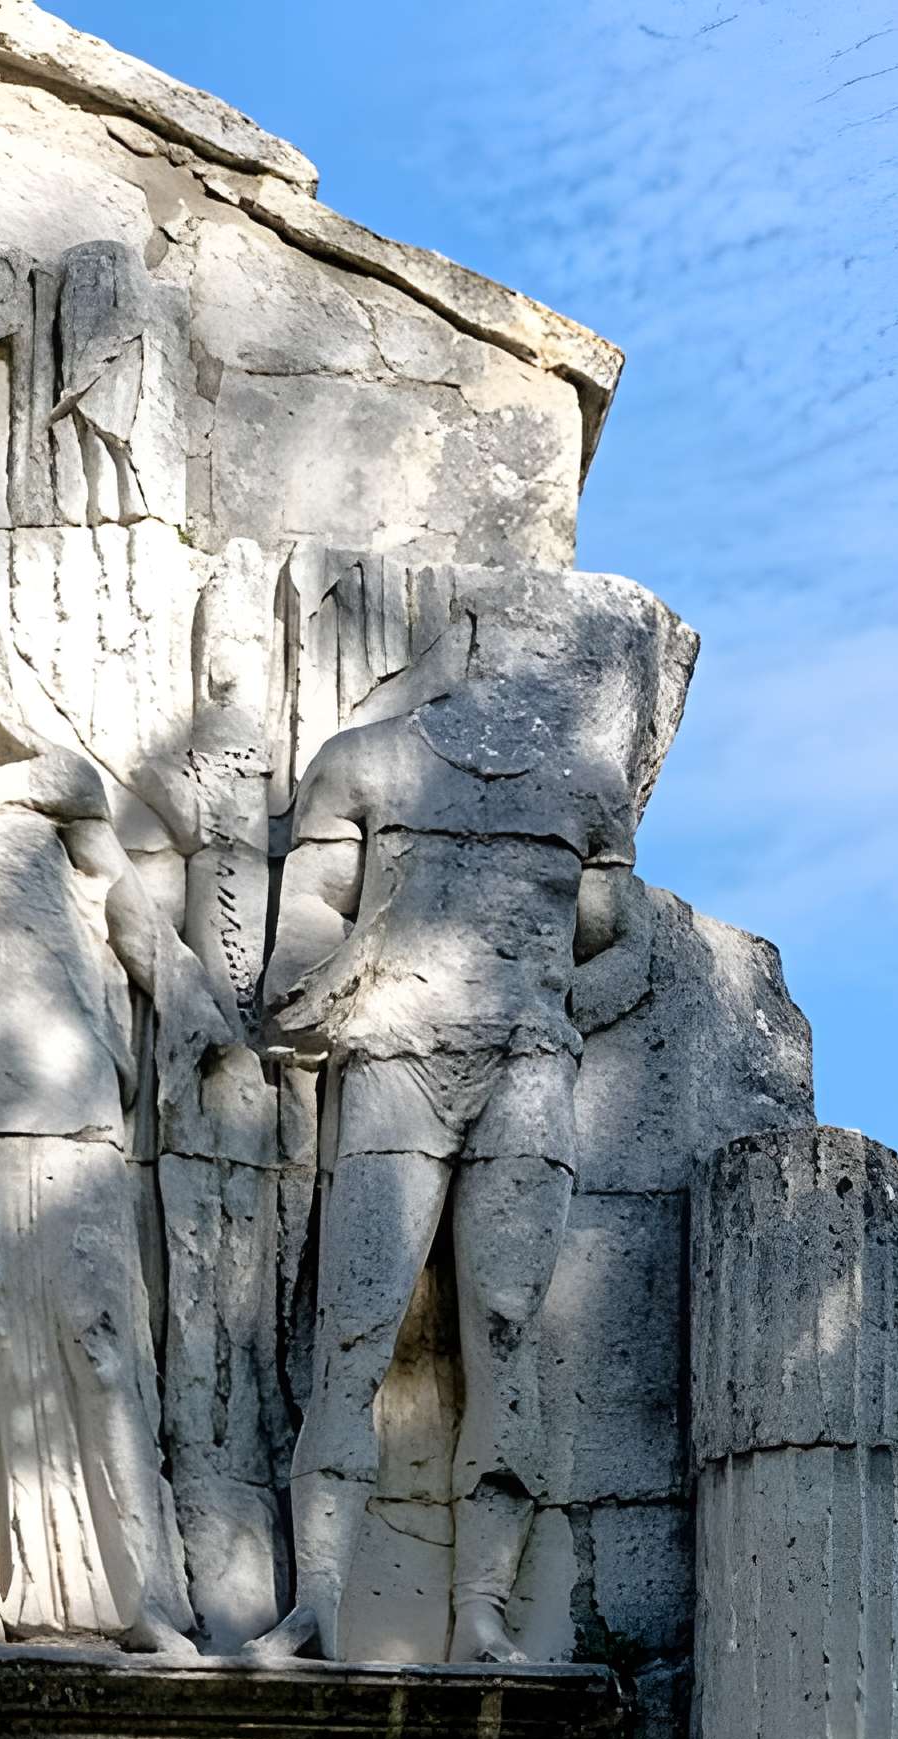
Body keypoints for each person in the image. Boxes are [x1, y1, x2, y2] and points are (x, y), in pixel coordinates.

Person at [251, 583, 679, 1664]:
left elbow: (620, 946)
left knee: (501, 1325)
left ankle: (481, 1608)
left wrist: (551, 1016)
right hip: (393, 1054)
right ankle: (320, 1600)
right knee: (357, 1325)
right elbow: (305, 926)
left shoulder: (584, 787)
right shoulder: (366, 758)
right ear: (473, 640)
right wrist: (317, 994)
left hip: (525, 1068)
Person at [0, 594, 237, 1652]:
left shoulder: (56, 786)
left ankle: (143, 1597)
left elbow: (121, 904)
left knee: (101, 1341)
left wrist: (189, 997)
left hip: (59, 1087)